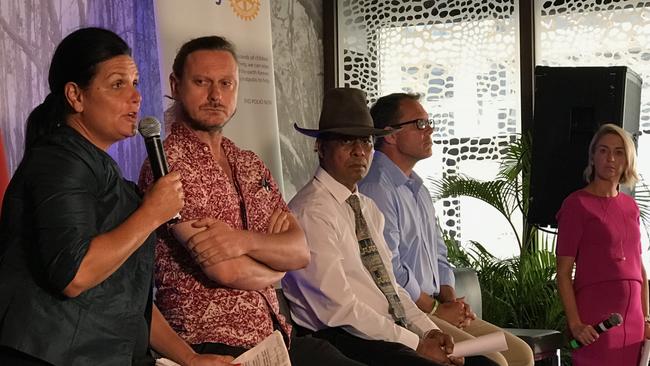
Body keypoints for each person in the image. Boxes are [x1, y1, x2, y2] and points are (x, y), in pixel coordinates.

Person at [0, 28, 232, 365]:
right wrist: (152, 213)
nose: (135, 97)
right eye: (117, 84)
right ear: (75, 96)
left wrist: (190, 358)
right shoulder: (58, 161)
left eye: (135, 83)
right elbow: (74, 273)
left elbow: (127, 295)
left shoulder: (101, 172)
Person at [139, 36, 363, 366]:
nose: (215, 95)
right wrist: (275, 268)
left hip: (276, 334)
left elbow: (300, 251)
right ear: (175, 85)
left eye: (226, 84)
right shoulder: (168, 162)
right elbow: (225, 269)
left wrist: (240, 240)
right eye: (201, 82)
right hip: (209, 341)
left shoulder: (249, 163)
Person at [283, 87, 498, 366]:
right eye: (347, 141)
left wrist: (429, 331)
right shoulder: (312, 211)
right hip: (345, 338)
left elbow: (392, 287)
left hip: (393, 328)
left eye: (367, 141)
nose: (360, 151)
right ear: (320, 147)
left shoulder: (366, 207)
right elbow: (340, 310)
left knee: (489, 361)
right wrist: (419, 341)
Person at [358, 92, 534, 366]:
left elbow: (440, 254)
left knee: (520, 354)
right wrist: (438, 308)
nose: (430, 130)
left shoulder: (417, 186)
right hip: (410, 315)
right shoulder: (377, 187)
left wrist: (452, 304)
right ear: (390, 135)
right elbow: (389, 268)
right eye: (419, 124)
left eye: (429, 122)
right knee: (494, 361)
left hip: (439, 309)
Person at [556, 123, 649, 365]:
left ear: (627, 160)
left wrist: (647, 318)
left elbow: (640, 267)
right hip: (597, 316)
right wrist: (575, 324)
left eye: (619, 152)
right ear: (593, 156)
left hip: (634, 319)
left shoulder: (631, 207)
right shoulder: (576, 205)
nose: (611, 158)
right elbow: (564, 273)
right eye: (604, 151)